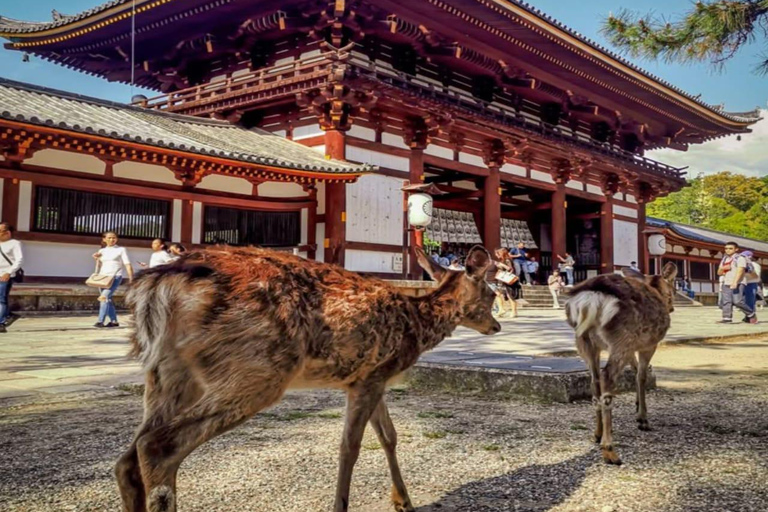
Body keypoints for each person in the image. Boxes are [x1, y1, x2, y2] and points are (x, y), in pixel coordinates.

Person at [92, 231, 134, 328]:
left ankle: (100, 321)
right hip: (102, 277)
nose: (112, 239)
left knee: (104, 297)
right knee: (108, 299)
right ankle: (114, 321)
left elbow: (127, 264)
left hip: (115, 277)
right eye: (109, 237)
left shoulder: (121, 249)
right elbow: (101, 265)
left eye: (114, 237)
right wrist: (96, 259)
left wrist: (131, 279)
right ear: (104, 239)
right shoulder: (102, 251)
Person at [717, 241, 755, 324]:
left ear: (736, 249)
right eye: (726, 248)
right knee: (726, 301)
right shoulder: (724, 259)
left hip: (738, 282)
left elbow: (740, 271)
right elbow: (719, 273)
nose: (728, 250)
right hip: (726, 282)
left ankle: (751, 314)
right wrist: (723, 268)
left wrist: (735, 282)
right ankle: (727, 318)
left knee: (738, 301)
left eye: (730, 248)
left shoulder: (740, 258)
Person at [0, 222, 23, 334]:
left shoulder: (14, 243)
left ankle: (1, 323)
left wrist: (8, 272)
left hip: (5, 275)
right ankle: (8, 315)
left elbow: (19, 260)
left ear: (7, 233)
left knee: (1, 299)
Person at [741, 250, 761, 323]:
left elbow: (756, 276)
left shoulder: (754, 264)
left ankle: (750, 317)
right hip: (743, 284)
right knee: (742, 301)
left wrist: (746, 272)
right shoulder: (742, 264)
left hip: (751, 283)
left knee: (750, 301)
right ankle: (748, 315)